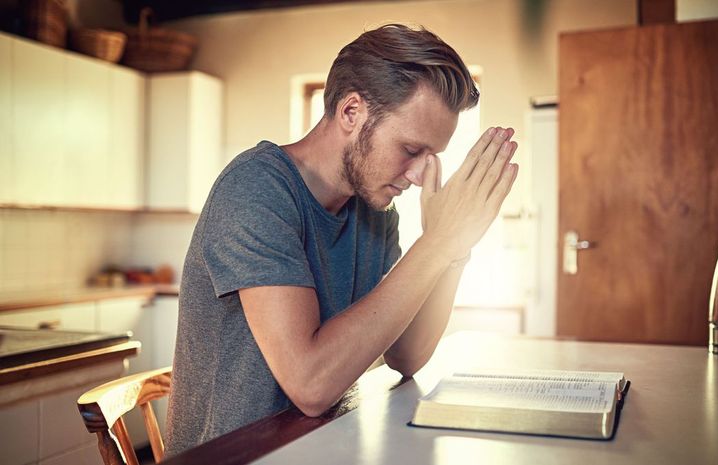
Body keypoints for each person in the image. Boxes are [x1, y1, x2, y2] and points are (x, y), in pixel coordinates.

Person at [164, 23, 518, 456]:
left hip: (319, 447)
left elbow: (406, 356)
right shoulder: (257, 188)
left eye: (431, 157)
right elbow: (310, 385)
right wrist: (436, 246)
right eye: (410, 149)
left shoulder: (374, 210)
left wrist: (454, 249)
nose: (419, 174)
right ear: (352, 112)